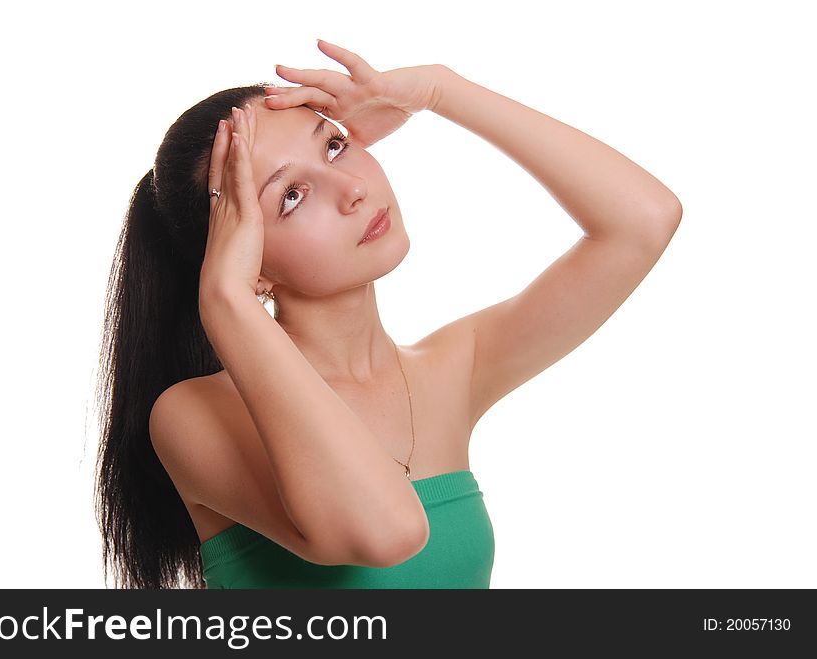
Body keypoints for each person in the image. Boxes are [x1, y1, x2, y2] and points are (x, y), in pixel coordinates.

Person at [94, 40, 682, 589]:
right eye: (291, 196)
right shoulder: (193, 415)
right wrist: (227, 302)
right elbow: (387, 532)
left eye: (333, 145)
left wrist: (440, 91)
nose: (349, 188)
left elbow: (643, 222)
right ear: (243, 260)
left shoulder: (451, 367)